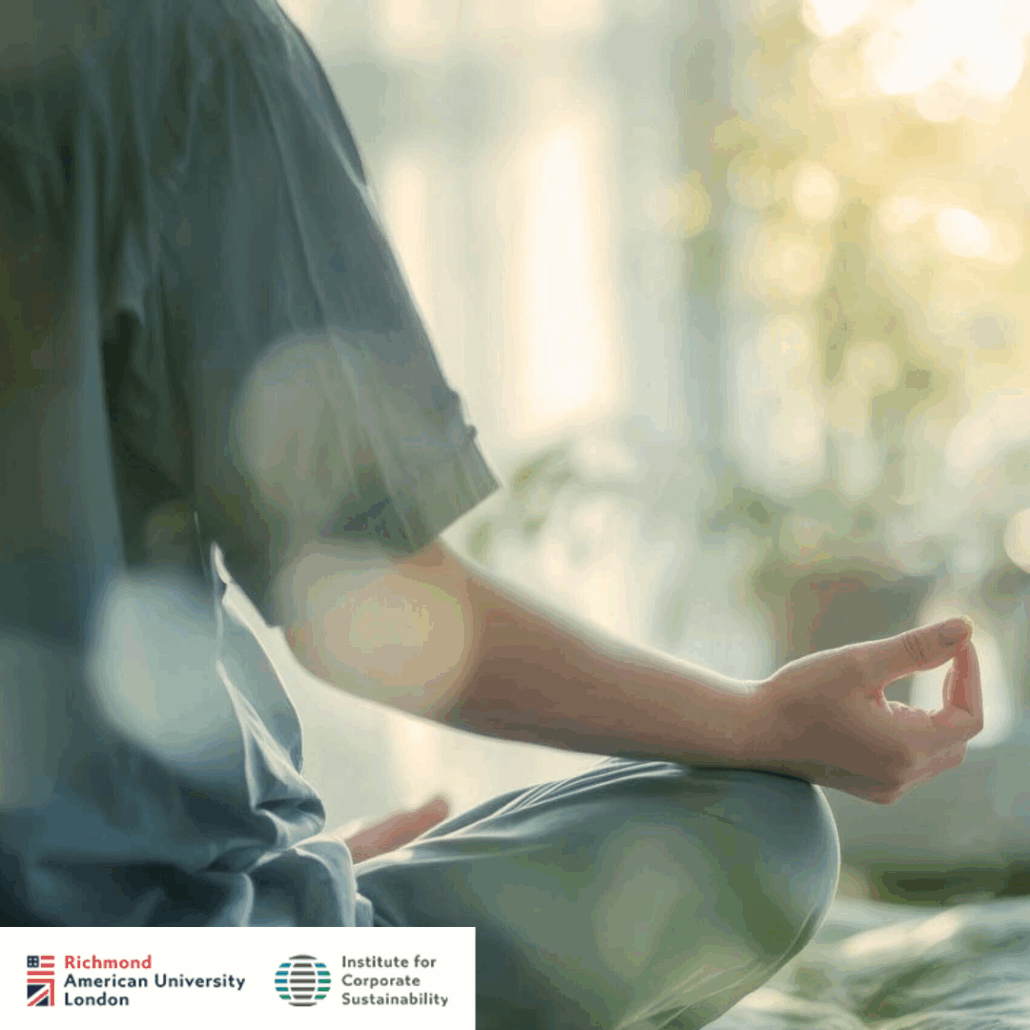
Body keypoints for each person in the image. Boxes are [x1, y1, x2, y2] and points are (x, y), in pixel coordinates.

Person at [0, 1, 983, 1027]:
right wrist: (758, 720)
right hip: (125, 986)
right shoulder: (181, 44)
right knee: (763, 832)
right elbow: (366, 605)